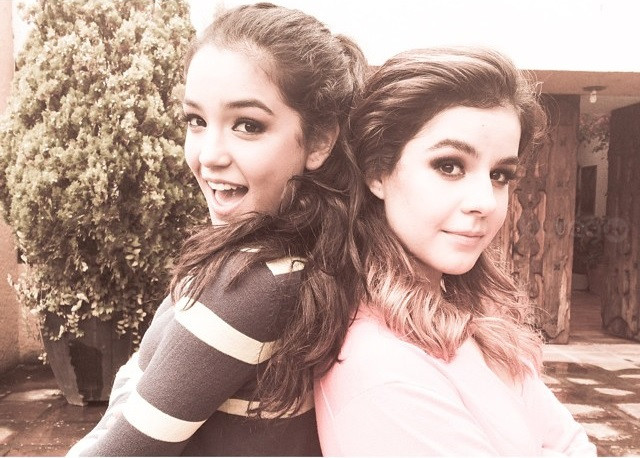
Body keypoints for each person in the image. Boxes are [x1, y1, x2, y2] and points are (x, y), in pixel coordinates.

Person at [67, 3, 366, 456]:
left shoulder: (254, 284)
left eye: (247, 125)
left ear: (320, 139)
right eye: (196, 121)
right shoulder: (310, 256)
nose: (209, 156)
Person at [314, 47, 597, 456]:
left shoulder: (468, 319)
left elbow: (573, 443)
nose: (485, 201)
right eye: (449, 166)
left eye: (500, 175)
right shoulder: (382, 366)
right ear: (377, 171)